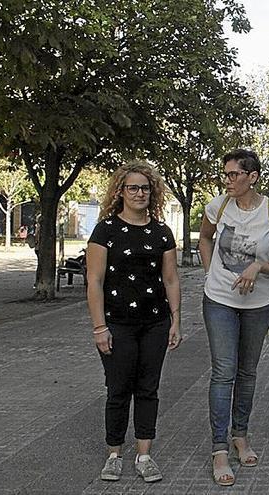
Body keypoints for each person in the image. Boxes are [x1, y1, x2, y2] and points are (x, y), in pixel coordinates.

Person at [198, 150, 269, 485]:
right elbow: (205, 238)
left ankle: (241, 435)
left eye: (234, 175)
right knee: (223, 372)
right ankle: (219, 448)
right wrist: (211, 271)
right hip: (220, 299)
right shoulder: (218, 206)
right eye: (225, 175)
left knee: (247, 372)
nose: (228, 181)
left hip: (260, 302)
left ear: (252, 177)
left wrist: (259, 266)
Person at [86, 161, 181, 483]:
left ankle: (144, 454)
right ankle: (114, 453)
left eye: (145, 188)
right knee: (118, 389)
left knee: (148, 389)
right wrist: (100, 327)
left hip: (154, 322)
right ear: (120, 192)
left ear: (152, 192)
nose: (140, 193)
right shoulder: (105, 230)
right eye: (133, 188)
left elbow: (171, 279)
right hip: (117, 324)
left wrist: (176, 321)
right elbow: (94, 280)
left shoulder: (161, 232)